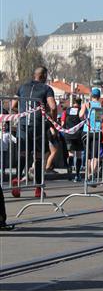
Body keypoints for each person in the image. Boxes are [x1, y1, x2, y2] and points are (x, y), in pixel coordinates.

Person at [11, 66, 57, 199]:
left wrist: (22, 113)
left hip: (23, 125)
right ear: (44, 76)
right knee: (38, 157)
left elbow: (13, 105)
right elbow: (53, 107)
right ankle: (38, 189)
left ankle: (17, 179)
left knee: (23, 154)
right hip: (38, 126)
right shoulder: (46, 89)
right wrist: (53, 123)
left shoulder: (22, 87)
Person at [80, 88, 103, 184]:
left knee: (88, 155)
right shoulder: (101, 105)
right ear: (99, 96)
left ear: (91, 96)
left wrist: (85, 118)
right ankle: (92, 174)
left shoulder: (87, 104)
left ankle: (88, 175)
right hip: (97, 131)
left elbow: (80, 115)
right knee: (95, 155)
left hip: (87, 131)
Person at [61, 97, 84, 182]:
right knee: (78, 155)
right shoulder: (81, 111)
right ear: (80, 104)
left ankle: (69, 171)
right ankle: (77, 175)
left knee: (70, 154)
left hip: (68, 135)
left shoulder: (66, 111)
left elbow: (62, 123)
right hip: (78, 135)